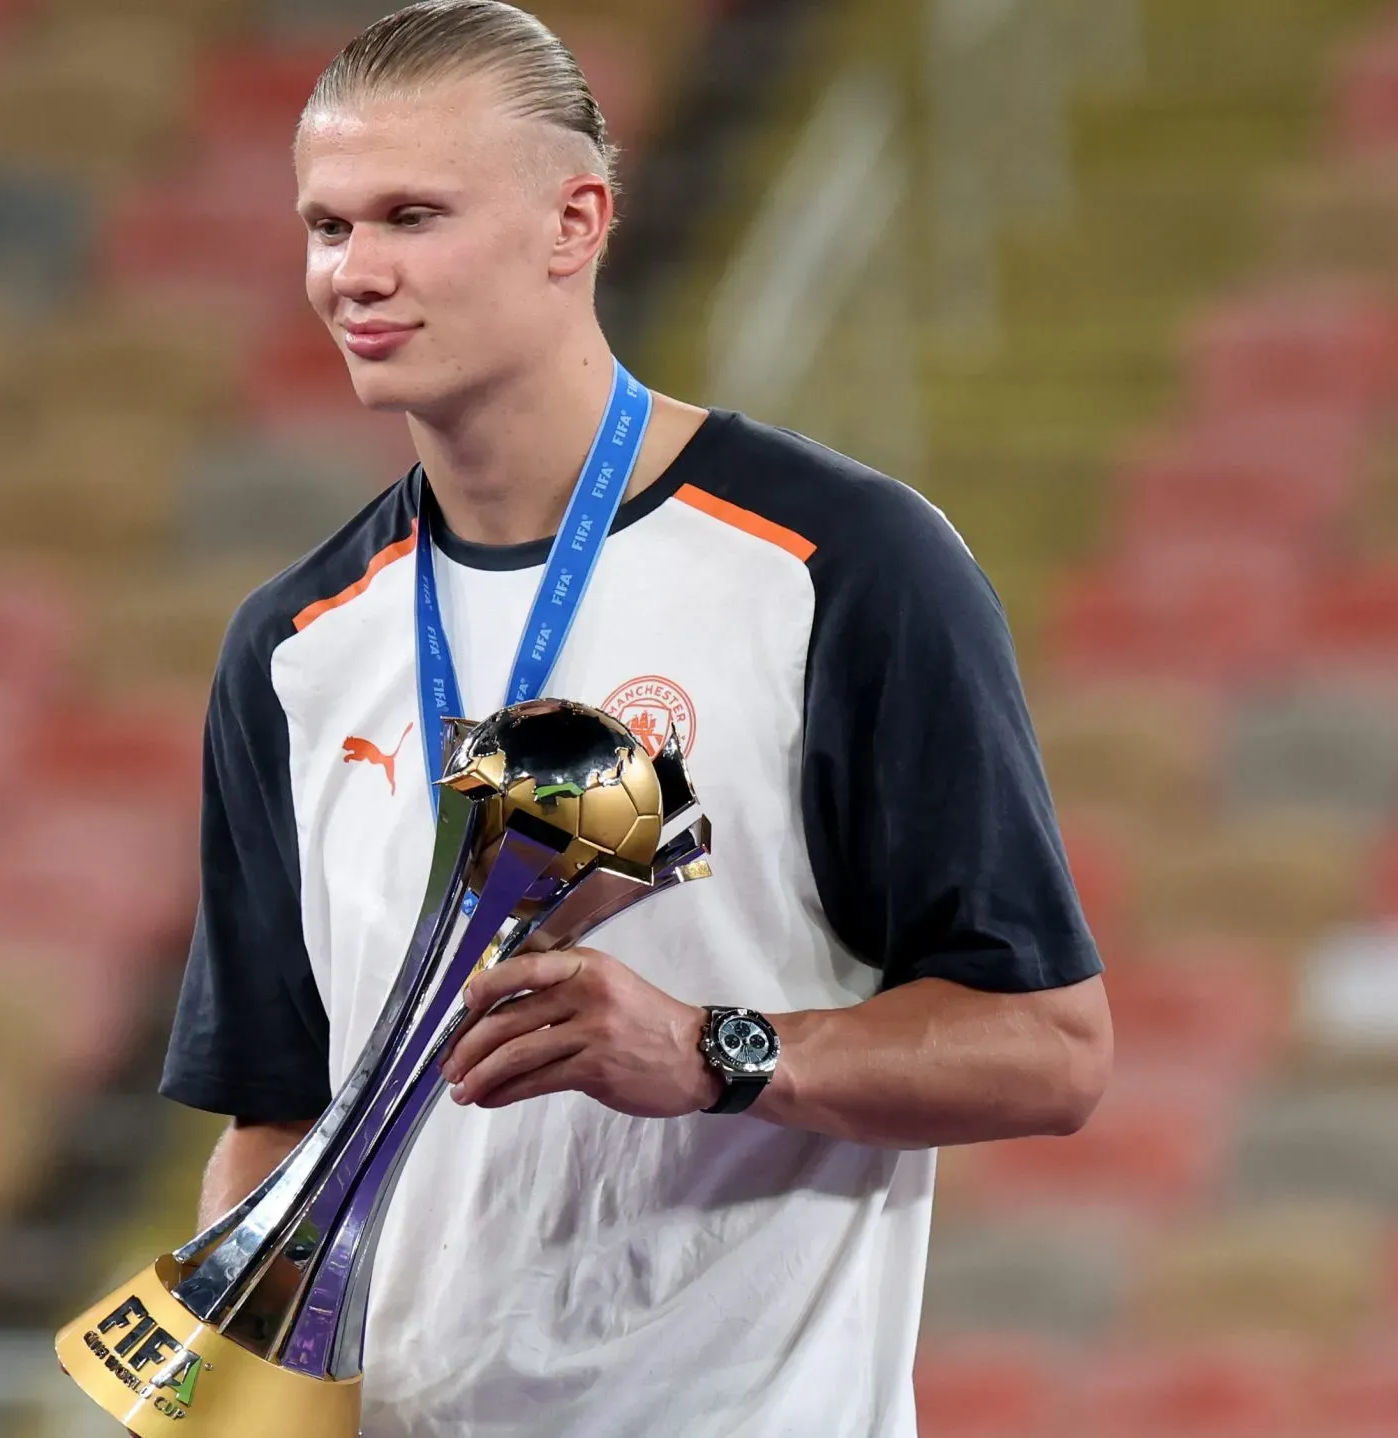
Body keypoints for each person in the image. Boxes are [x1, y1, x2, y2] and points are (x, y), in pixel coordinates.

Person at [158, 3, 1111, 1434]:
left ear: (576, 220)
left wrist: (715, 1052)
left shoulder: (838, 567)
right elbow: (278, 1113)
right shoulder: (295, 647)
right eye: (328, 226)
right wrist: (230, 1396)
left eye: (412, 216)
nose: (355, 272)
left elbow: (1051, 1048)